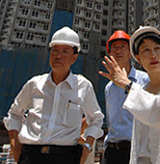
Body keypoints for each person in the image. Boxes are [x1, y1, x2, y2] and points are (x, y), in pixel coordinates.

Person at [99, 26, 160, 164]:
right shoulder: (140, 89)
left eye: (157, 48)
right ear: (138, 58)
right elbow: (141, 142)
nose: (153, 55)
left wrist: (127, 85)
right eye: (146, 50)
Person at [4, 26, 104, 164]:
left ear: (74, 57)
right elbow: (14, 114)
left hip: (66, 157)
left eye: (65, 51)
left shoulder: (82, 86)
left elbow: (96, 119)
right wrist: (16, 147)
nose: (58, 55)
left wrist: (87, 147)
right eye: (55, 50)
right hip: (30, 155)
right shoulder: (34, 84)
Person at [101, 30, 149, 164]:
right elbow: (110, 122)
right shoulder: (109, 88)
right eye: (114, 48)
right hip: (112, 152)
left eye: (123, 47)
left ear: (130, 53)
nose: (118, 51)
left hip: (136, 150)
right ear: (110, 54)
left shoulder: (144, 79)